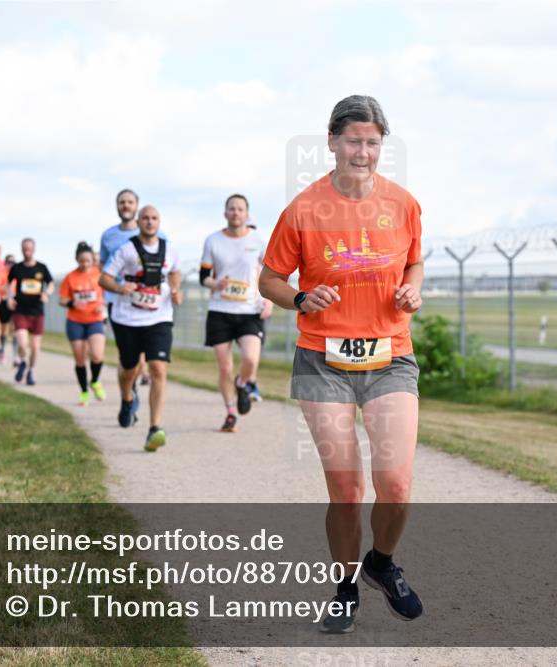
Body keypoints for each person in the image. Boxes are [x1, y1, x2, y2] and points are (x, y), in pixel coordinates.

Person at [258, 95, 425, 634]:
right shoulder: (304, 209)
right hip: (323, 361)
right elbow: (270, 281)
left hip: (391, 356)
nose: (363, 151)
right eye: (353, 140)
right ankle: (346, 586)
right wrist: (301, 300)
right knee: (347, 488)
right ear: (331, 141)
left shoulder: (404, 203)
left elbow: (415, 261)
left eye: (373, 142)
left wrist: (412, 291)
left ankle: (382, 562)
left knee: (396, 483)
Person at [99, 204, 182, 451]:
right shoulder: (126, 250)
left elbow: (175, 273)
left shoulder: (170, 250)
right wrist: (120, 288)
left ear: (159, 222)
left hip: (159, 317)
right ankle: (127, 398)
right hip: (127, 318)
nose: (149, 222)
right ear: (138, 221)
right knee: (130, 368)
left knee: (158, 368)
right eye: (145, 218)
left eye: (154, 218)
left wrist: (176, 290)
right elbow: (104, 278)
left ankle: (154, 428)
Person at [200, 193, 273, 433]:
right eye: (231, 209)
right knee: (224, 367)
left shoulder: (258, 239)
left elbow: (271, 273)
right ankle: (231, 413)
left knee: (251, 359)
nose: (235, 213)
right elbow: (203, 278)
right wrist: (216, 284)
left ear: (246, 213)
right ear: (225, 213)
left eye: (240, 209)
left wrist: (268, 300)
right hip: (220, 310)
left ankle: (242, 383)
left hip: (249, 310)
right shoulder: (213, 241)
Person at [100, 189, 167, 389]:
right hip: (116, 300)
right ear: (117, 206)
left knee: (146, 349)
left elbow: (168, 265)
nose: (126, 205)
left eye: (130, 202)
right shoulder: (108, 236)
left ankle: (140, 376)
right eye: (122, 202)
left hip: (147, 299)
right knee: (128, 355)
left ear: (136, 207)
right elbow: (103, 268)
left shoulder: (157, 234)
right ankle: (131, 388)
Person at [59, 242, 107, 406]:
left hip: (95, 319)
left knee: (97, 355)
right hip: (75, 321)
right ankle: (84, 392)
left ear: (92, 259)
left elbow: (109, 293)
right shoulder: (70, 277)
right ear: (76, 260)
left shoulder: (99, 273)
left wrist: (103, 304)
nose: (85, 264)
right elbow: (62, 300)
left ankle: (94, 381)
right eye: (81, 261)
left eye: (87, 260)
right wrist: (72, 303)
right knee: (80, 359)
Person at [6, 238, 54, 385]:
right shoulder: (17, 268)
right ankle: (22, 361)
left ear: (34, 249)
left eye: (29, 248)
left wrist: (47, 293)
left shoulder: (41, 268)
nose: (27, 251)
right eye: (24, 248)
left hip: (37, 311)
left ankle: (30, 370)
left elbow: (50, 283)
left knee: (35, 347)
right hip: (21, 310)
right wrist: (9, 298)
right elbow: (8, 284)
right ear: (21, 249)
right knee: (22, 344)